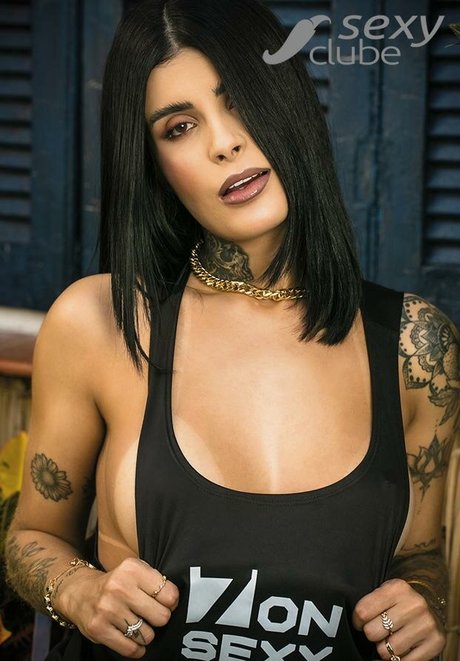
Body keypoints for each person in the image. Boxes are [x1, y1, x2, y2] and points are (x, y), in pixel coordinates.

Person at [5, 0, 459, 659]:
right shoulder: (98, 322)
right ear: (154, 162)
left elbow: (421, 556)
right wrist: (76, 588)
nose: (223, 143)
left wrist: (426, 601)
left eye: (239, 99)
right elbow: (32, 536)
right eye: (180, 126)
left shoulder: (417, 347)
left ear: (290, 101)